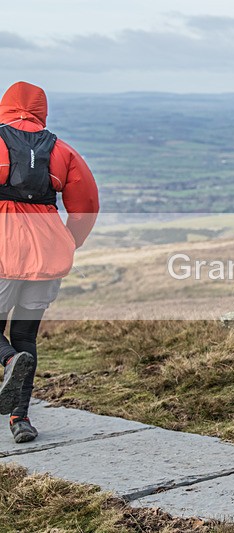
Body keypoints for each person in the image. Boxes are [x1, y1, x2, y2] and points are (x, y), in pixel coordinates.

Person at [0, 81, 99, 443]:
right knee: (26, 335)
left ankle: (9, 361)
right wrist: (68, 243)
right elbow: (86, 206)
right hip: (46, 257)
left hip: (3, 254)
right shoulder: (62, 151)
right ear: (42, 111)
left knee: (9, 346)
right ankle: (20, 421)